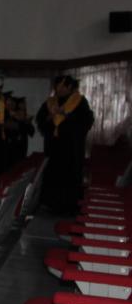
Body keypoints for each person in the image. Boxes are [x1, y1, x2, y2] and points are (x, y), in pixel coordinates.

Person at [37, 75, 94, 215]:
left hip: (71, 147)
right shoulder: (50, 102)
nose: (60, 89)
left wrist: (66, 114)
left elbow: (86, 120)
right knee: (52, 173)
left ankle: (70, 205)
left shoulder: (79, 101)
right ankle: (50, 204)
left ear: (71, 87)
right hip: (53, 146)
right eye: (58, 86)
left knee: (70, 175)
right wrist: (50, 117)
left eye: (64, 86)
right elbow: (40, 120)